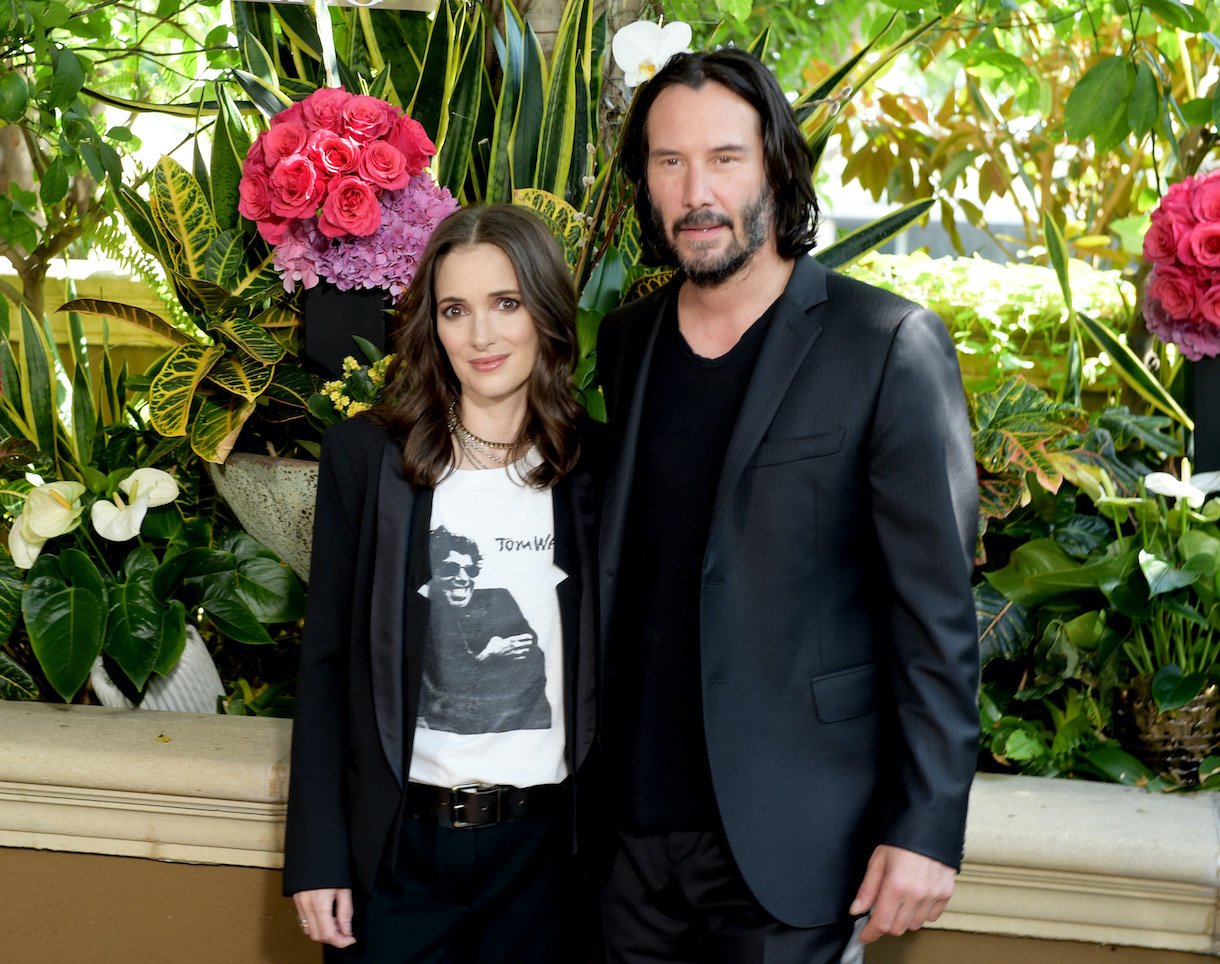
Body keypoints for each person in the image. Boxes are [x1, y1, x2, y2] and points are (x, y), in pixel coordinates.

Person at [596, 48, 980, 962]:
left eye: (725, 158)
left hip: (796, 841)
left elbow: (935, 616)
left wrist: (927, 826)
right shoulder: (626, 342)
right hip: (628, 844)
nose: (697, 192)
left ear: (774, 164)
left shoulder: (885, 343)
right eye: (669, 161)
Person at [283, 204, 599, 962]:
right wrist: (319, 856)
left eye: (506, 303)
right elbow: (327, 662)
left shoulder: (599, 467)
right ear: (433, 325)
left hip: (550, 860)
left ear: (546, 313)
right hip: (399, 858)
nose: (482, 335)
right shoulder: (368, 460)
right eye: (456, 310)